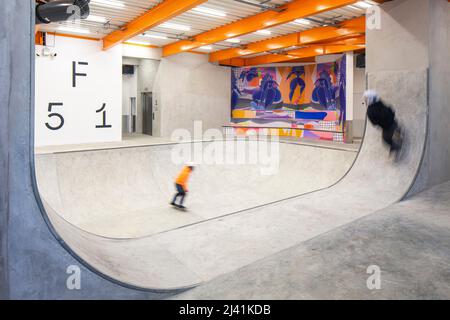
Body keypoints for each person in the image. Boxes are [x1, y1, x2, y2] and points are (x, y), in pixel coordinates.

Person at [363, 90, 404, 156]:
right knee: (391, 131)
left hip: (386, 127)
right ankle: (397, 130)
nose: (365, 100)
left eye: (366, 99)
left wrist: (378, 125)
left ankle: (395, 146)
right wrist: (392, 115)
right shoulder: (379, 103)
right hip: (391, 123)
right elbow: (390, 108)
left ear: (371, 98)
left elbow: (374, 122)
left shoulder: (370, 110)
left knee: (386, 139)